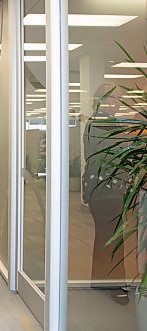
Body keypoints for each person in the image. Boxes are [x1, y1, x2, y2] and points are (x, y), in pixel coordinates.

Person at [82, 82, 128, 303]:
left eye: (118, 100)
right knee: (113, 237)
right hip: (105, 191)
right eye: (111, 99)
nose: (115, 104)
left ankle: (99, 280)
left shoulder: (110, 123)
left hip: (108, 190)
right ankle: (116, 284)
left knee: (105, 236)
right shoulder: (99, 125)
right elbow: (108, 158)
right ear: (100, 100)